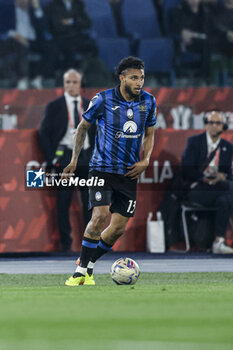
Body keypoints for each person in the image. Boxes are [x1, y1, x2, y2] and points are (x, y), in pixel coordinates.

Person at [62, 56, 156, 286]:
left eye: (142, 78)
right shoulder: (102, 100)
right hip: (101, 169)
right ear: (122, 77)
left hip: (128, 173)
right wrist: (74, 160)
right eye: (134, 77)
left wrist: (146, 160)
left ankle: (88, 265)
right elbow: (83, 127)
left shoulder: (149, 101)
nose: (139, 82)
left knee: (117, 229)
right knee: (100, 216)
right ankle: (80, 273)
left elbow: (150, 133)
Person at [38, 69, 96, 252]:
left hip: (86, 157)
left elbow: (99, 133)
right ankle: (65, 244)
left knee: (90, 203)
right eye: (67, 82)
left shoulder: (90, 105)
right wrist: (52, 158)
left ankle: (90, 243)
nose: (70, 86)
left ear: (81, 85)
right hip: (64, 158)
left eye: (74, 82)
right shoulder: (54, 106)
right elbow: (43, 134)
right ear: (63, 84)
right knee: (63, 203)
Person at [182, 110, 233, 254]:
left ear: (223, 126)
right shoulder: (194, 142)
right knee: (229, 190)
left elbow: (228, 173)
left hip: (220, 190)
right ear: (206, 125)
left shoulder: (228, 147)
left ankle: (218, 242)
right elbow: (186, 170)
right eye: (211, 122)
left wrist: (223, 177)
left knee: (224, 200)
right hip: (198, 189)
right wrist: (203, 178)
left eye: (218, 123)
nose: (214, 126)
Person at [0, 0, 47, 89]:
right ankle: (22, 79)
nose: (24, 1)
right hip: (15, 39)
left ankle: (38, 78)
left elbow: (42, 26)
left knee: (50, 47)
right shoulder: (8, 10)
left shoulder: (33, 11)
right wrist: (16, 35)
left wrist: (36, 8)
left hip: (32, 39)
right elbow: (3, 26)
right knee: (21, 46)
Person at [46, 0, 97, 71]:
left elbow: (87, 23)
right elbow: (57, 26)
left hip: (76, 36)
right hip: (60, 37)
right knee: (69, 48)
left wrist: (71, 21)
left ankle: (88, 72)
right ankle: (67, 75)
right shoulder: (53, 5)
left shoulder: (78, 4)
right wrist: (75, 23)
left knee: (93, 46)